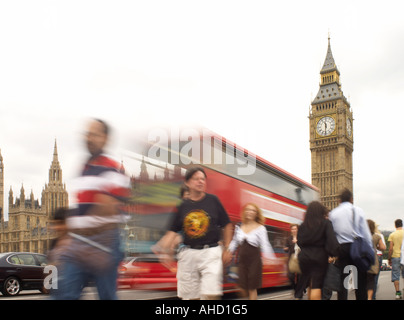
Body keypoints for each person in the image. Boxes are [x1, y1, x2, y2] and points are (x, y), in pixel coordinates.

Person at [54, 118, 131, 300]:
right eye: (87, 133)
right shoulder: (84, 168)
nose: (88, 138)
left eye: (94, 134)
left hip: (103, 243)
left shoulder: (112, 169)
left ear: (105, 138)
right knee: (64, 295)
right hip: (81, 243)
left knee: (106, 296)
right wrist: (69, 238)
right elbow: (80, 209)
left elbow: (108, 208)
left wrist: (80, 236)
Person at [155, 166, 233, 300]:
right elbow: (173, 230)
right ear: (187, 183)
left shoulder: (213, 200)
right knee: (190, 297)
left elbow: (227, 224)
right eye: (196, 179)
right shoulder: (182, 205)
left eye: (203, 179)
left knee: (210, 295)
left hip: (210, 252)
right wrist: (163, 249)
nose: (200, 181)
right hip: (188, 254)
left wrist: (226, 249)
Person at [329, 189, 373, 300]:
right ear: (351, 199)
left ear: (339, 200)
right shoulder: (358, 211)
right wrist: (370, 249)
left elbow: (331, 234)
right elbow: (366, 234)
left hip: (342, 248)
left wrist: (333, 252)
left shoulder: (333, 213)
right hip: (357, 248)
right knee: (360, 282)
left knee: (343, 282)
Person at [228, 203, 276, 300]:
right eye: (248, 209)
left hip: (254, 261)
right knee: (241, 287)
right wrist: (229, 251)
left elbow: (265, 243)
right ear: (245, 212)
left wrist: (270, 258)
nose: (250, 212)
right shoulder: (239, 226)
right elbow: (234, 241)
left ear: (256, 214)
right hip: (242, 261)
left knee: (252, 288)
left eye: (253, 210)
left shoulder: (260, 228)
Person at [297, 201, 339, 300]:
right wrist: (333, 254)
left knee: (310, 283)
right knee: (316, 284)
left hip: (304, 257)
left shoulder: (303, 225)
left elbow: (300, 242)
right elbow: (332, 242)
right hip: (319, 257)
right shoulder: (326, 223)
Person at [284, 224, 305, 299]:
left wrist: (297, 242)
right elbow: (286, 247)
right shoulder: (288, 238)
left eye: (295, 229)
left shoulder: (302, 238)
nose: (294, 230)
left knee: (300, 277)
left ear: (297, 230)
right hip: (292, 259)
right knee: (290, 276)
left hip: (300, 259)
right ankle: (296, 288)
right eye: (292, 229)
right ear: (291, 230)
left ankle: (299, 294)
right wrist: (285, 248)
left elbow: (305, 247)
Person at [366, 219, 386, 300]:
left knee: (362, 281)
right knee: (373, 280)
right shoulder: (377, 236)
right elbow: (383, 247)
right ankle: (371, 297)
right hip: (374, 259)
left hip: (362, 261)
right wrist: (376, 246)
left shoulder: (360, 236)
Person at [388, 219, 404, 299]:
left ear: (395, 225)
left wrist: (389, 258)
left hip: (395, 256)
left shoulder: (392, 235)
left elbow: (391, 248)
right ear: (402, 224)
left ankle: (398, 293)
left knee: (395, 275)